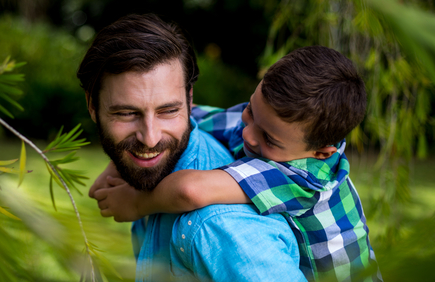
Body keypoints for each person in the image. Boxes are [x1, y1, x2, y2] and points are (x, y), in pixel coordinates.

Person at [94, 46, 383, 282]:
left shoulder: (303, 176)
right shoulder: (271, 126)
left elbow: (190, 191)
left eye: (268, 139)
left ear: (321, 151)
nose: (248, 134)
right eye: (249, 111)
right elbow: (179, 116)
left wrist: (135, 203)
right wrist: (121, 162)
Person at [80, 13, 306, 281]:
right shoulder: (150, 172)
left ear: (188, 100)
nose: (150, 139)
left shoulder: (218, 227)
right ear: (92, 106)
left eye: (167, 111)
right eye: (127, 114)